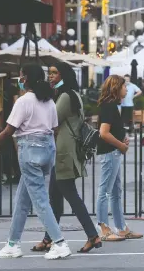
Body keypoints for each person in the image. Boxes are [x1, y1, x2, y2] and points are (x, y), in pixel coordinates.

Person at [0, 64, 71, 259]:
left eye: (20, 76)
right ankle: (12, 243)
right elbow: (55, 129)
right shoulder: (49, 101)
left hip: (30, 151)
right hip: (47, 151)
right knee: (22, 199)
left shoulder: (23, 101)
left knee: (41, 201)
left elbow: (8, 130)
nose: (19, 79)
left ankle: (59, 242)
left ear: (25, 78)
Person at [32, 62, 101, 253]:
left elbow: (51, 122)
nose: (51, 76)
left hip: (63, 152)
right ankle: (48, 238)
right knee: (55, 197)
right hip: (65, 152)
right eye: (50, 73)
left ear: (63, 75)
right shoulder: (74, 94)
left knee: (70, 195)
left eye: (54, 73)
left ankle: (92, 235)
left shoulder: (64, 96)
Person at [96, 75, 143, 241]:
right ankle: (103, 228)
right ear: (116, 88)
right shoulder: (109, 106)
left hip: (113, 152)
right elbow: (103, 132)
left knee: (116, 191)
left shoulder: (111, 106)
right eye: (124, 86)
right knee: (105, 191)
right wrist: (120, 145)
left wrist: (121, 138)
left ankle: (121, 227)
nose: (126, 89)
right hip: (110, 153)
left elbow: (110, 130)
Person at [121, 74, 142, 139]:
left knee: (129, 120)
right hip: (122, 105)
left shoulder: (133, 85)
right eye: (125, 80)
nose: (126, 81)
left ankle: (130, 133)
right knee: (122, 119)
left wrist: (134, 96)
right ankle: (122, 133)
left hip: (130, 105)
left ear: (129, 79)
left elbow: (139, 91)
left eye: (127, 79)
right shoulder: (121, 85)